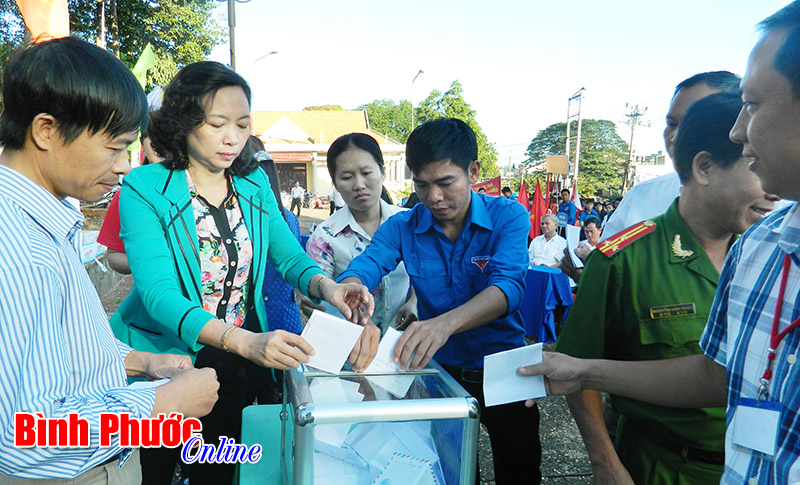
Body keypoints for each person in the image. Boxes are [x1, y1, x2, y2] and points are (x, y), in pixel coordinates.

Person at [520, 5, 800, 482]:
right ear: (704, 168)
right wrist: (600, 439)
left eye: (752, 105)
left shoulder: (753, 239)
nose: (740, 131)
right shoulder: (763, 248)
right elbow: (718, 375)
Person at [109, 61, 377, 484]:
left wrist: (330, 287)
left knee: (216, 468)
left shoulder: (253, 186)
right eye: (217, 124)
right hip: (162, 356)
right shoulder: (145, 188)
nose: (233, 138)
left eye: (242, 124)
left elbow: (289, 258)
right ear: (182, 121)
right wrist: (246, 341)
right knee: (156, 470)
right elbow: (159, 294)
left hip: (233, 356)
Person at [0, 36, 220, 482]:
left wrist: (140, 361)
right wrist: (162, 405)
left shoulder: (46, 216)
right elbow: (23, 436)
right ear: (46, 131)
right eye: (113, 147)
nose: (124, 165)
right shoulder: (19, 248)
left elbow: (58, 353)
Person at [556, 92, 777, 485]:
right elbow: (576, 371)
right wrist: (605, 464)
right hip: (660, 466)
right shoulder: (622, 261)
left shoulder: (771, 258)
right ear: (705, 167)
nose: (774, 190)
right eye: (758, 168)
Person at [338, 118, 542, 484]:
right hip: (441, 375)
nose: (433, 197)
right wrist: (353, 291)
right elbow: (365, 266)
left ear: (474, 171)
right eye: (422, 184)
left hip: (505, 370)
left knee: (520, 468)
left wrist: (443, 324)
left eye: (446, 183)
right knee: (454, 471)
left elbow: (509, 288)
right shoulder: (403, 225)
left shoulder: (507, 216)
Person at [601, 71, 742, 240]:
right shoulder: (640, 198)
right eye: (672, 124)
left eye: (697, 123)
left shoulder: (775, 212)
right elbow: (607, 259)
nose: (676, 137)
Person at [304, 133, 416, 334]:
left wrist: (415, 301)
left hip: (401, 344)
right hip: (350, 346)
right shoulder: (324, 238)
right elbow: (322, 295)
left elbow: (426, 271)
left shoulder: (409, 223)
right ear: (335, 183)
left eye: (366, 172)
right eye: (347, 177)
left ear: (382, 172)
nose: (359, 184)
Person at [97, 128, 164, 274]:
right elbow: (114, 255)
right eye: (156, 146)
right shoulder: (129, 195)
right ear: (143, 145)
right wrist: (156, 266)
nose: (165, 149)